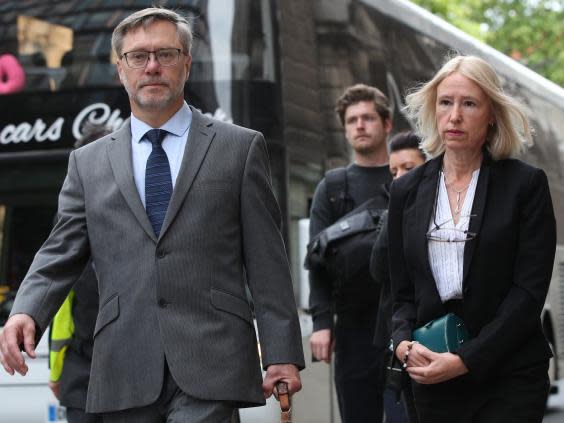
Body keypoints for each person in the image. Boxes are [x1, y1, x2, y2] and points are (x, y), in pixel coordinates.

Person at [0, 7, 304, 423]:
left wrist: (282, 352)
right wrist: (25, 310)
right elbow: (59, 251)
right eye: (138, 56)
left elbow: (268, 261)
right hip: (123, 363)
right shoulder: (87, 164)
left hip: (212, 359)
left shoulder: (240, 147)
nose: (153, 66)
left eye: (166, 54)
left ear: (187, 64)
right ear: (120, 69)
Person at [388, 55, 556, 423]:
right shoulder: (407, 192)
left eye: (469, 103)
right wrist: (401, 343)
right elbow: (400, 292)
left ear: (492, 113)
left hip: (509, 375)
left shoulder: (525, 185)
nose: (455, 116)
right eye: (446, 102)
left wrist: (467, 360)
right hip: (432, 373)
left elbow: (528, 293)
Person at [308, 83, 392, 423]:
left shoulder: (410, 177)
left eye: (368, 118)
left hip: (406, 323)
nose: (359, 125)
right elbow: (316, 261)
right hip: (353, 329)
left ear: (387, 124)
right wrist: (321, 323)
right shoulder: (332, 187)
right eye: (352, 120)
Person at [47, 123, 112, 423]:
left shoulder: (69, 223)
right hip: (106, 378)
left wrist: (57, 372)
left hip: (83, 375)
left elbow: (61, 308)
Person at [369, 131, 426, 423]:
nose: (400, 178)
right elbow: (377, 268)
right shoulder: (395, 211)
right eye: (394, 172)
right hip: (400, 341)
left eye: (408, 168)